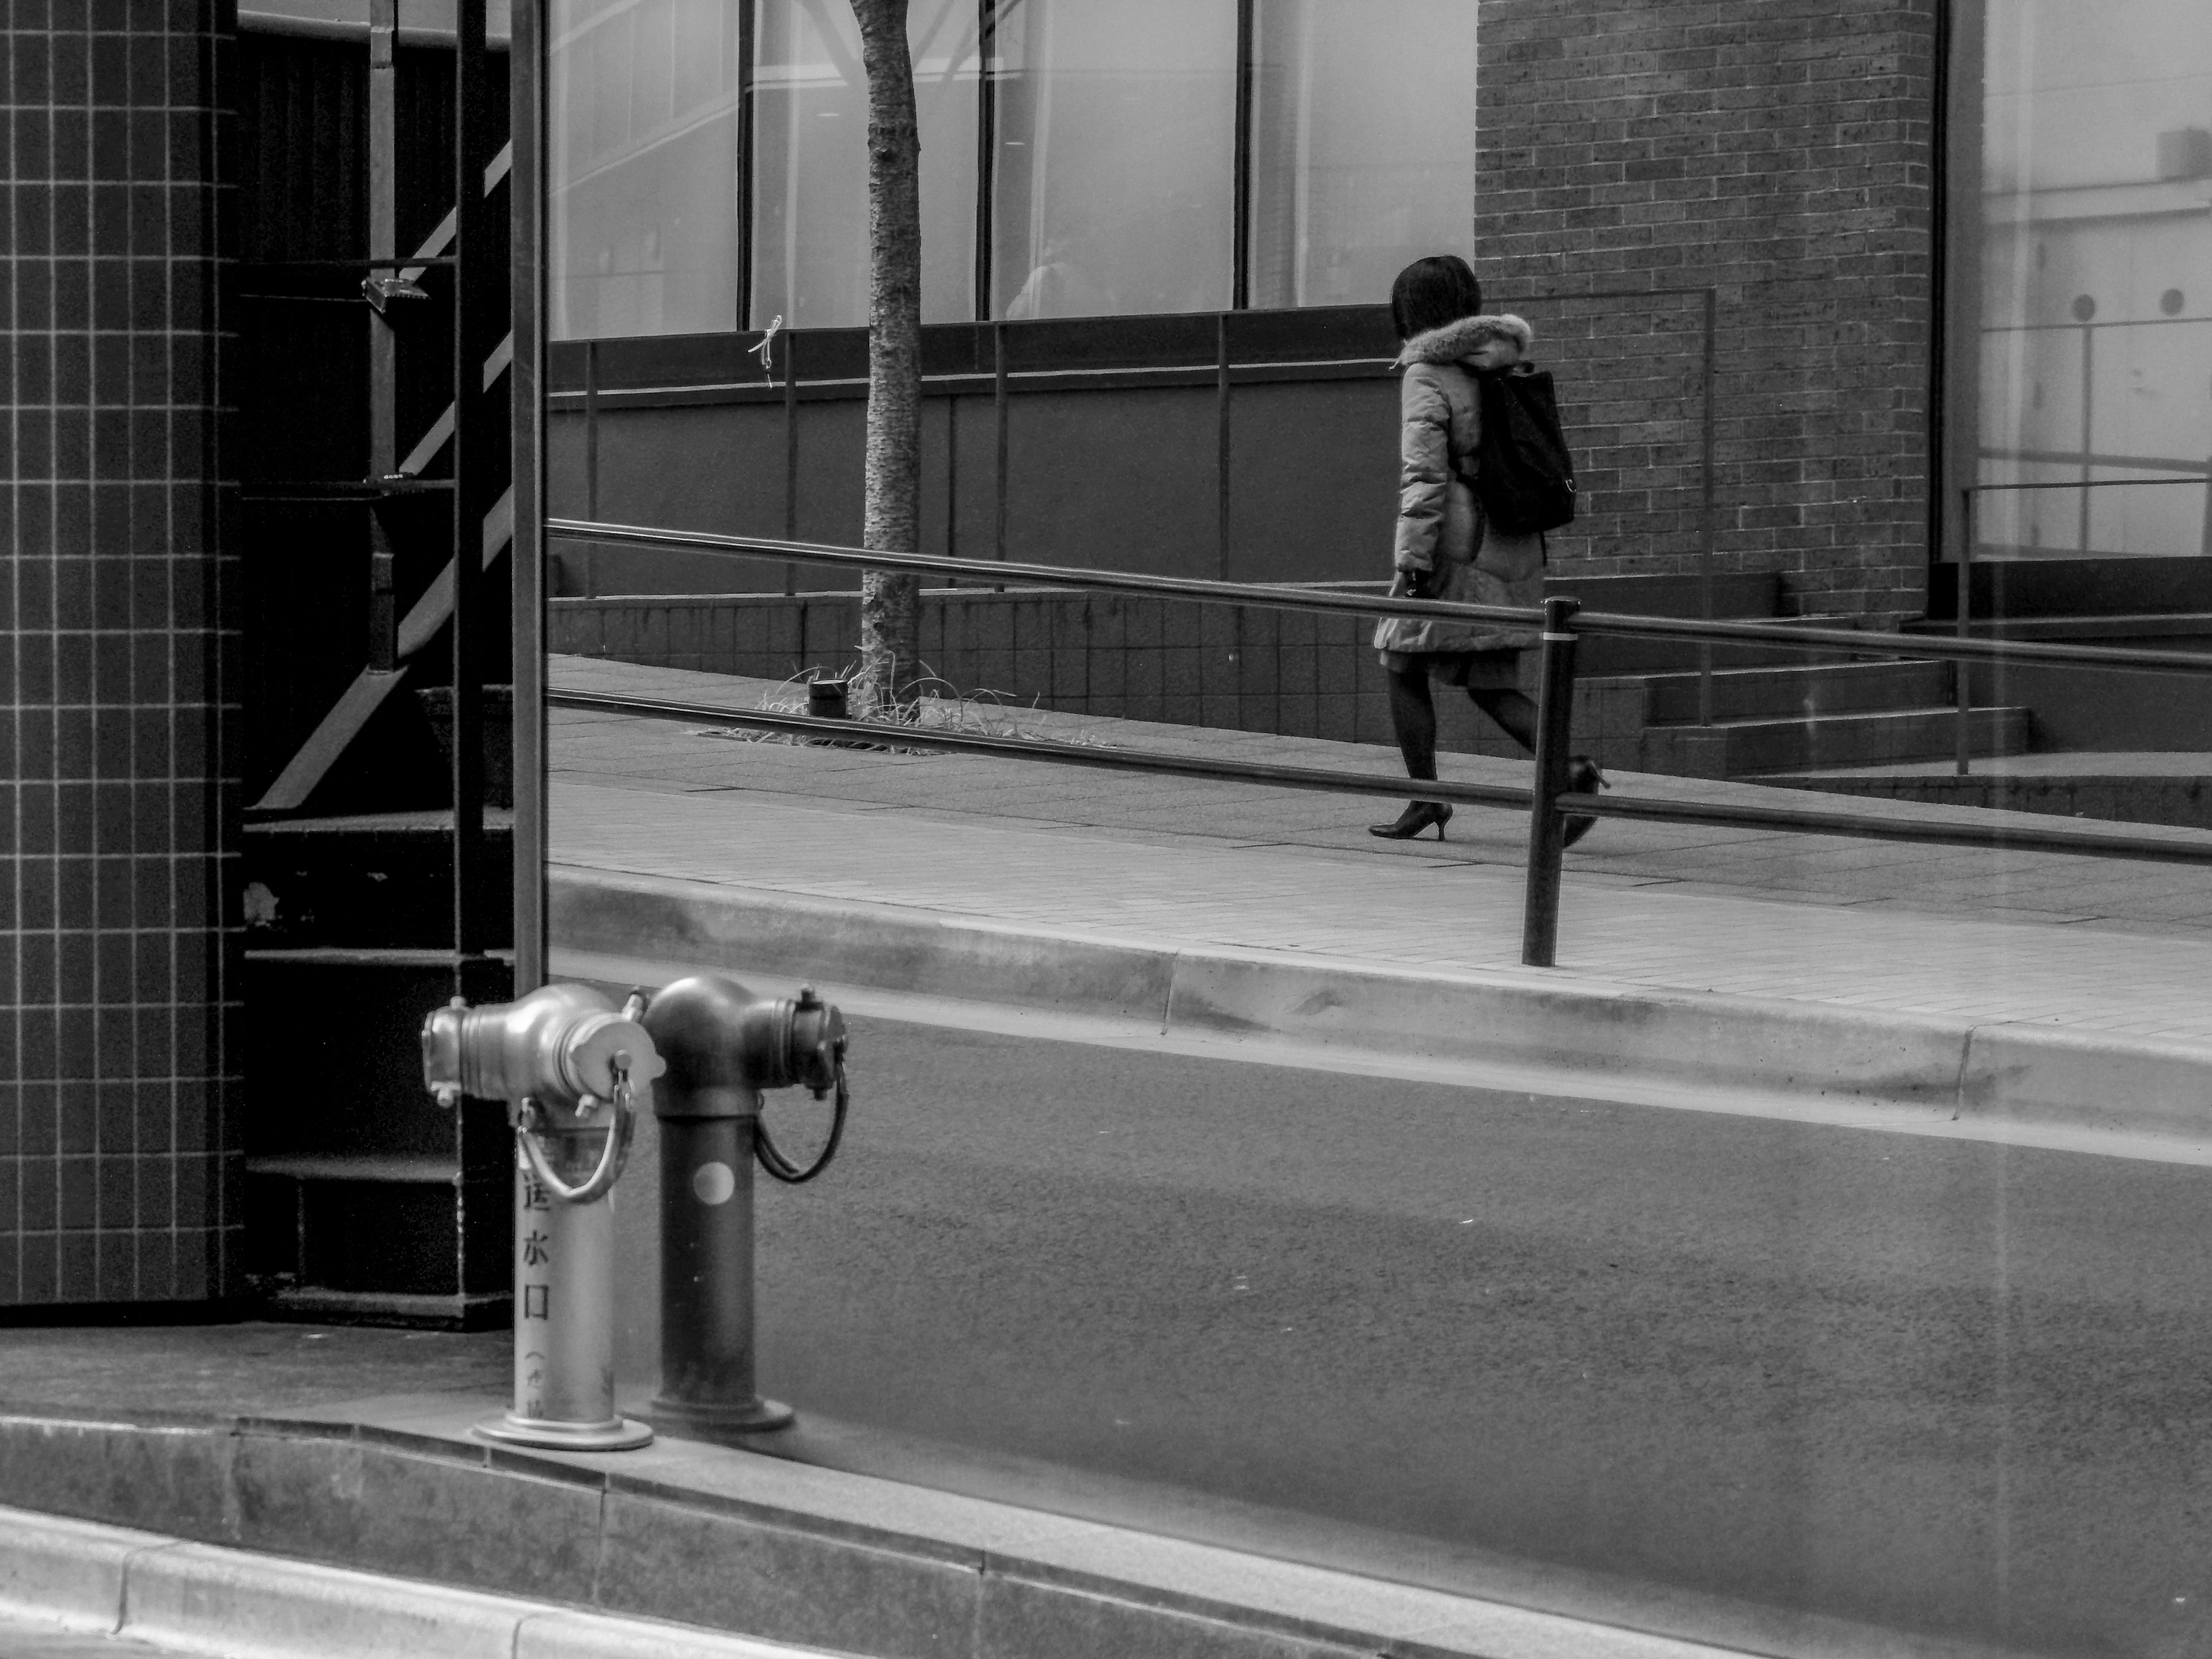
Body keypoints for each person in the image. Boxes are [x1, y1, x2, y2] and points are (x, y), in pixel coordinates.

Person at [1368, 255, 1603, 843]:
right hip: (1512, 542)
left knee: (1401, 661)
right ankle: (1570, 771)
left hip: (1453, 549)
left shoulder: (1427, 373)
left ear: (1412, 312)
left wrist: (1413, 563)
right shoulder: (1501, 364)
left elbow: (1423, 479)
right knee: (1487, 680)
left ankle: (1428, 797)